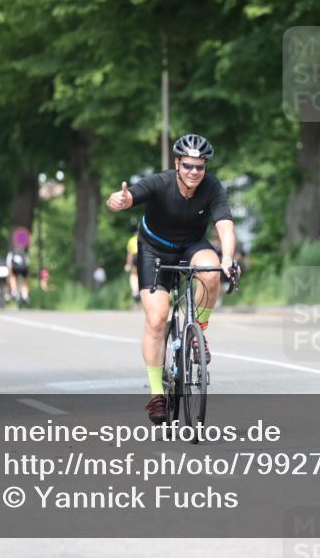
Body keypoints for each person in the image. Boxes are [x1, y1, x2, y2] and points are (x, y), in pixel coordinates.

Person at [106, 133, 236, 425]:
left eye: (200, 167)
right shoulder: (160, 183)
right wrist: (121, 199)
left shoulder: (212, 187)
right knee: (157, 319)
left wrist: (227, 258)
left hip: (192, 245)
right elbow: (129, 196)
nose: (194, 172)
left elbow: (225, 226)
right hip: (155, 249)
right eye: (188, 165)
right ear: (177, 163)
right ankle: (156, 395)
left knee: (211, 270)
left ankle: (198, 334)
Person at [125, 230, 140, 303]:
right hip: (145, 256)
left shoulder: (131, 240)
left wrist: (128, 264)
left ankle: (135, 291)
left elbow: (130, 254)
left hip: (135, 256)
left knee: (134, 274)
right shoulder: (146, 238)